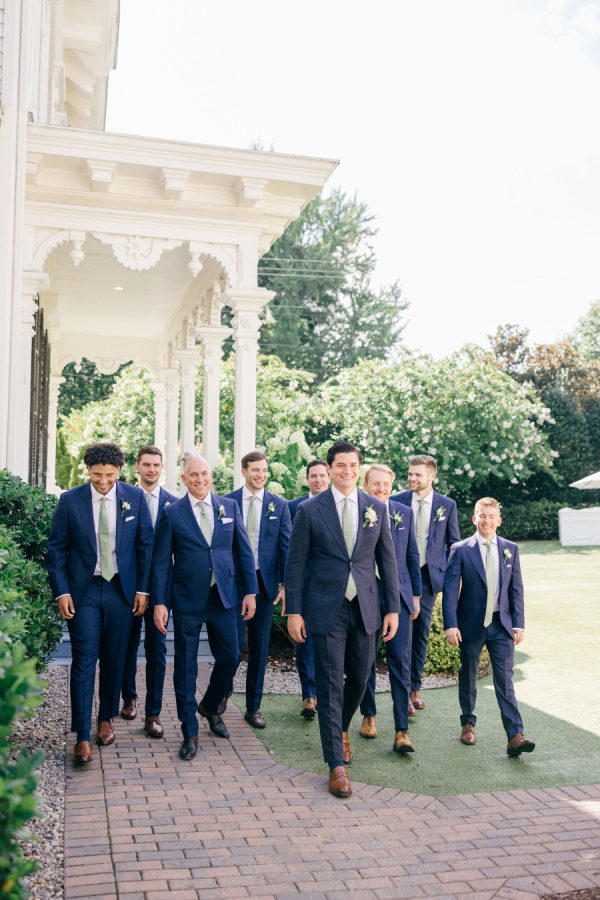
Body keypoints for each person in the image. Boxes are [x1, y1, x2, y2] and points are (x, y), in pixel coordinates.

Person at [285, 440, 400, 798]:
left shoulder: (375, 508)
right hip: (325, 608)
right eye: (340, 465)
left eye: (353, 465)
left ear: (359, 468)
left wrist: (392, 608)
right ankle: (335, 764)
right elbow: (296, 564)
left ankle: (341, 727)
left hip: (366, 607)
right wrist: (293, 611)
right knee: (331, 682)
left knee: (362, 677)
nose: (347, 471)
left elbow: (388, 561)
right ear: (330, 468)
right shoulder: (310, 509)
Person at [47, 442, 154, 765]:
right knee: (83, 660)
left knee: (114, 658)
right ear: (88, 471)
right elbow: (56, 549)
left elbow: (145, 546)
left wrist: (143, 590)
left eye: (109, 475)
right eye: (97, 475)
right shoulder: (70, 500)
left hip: (122, 590)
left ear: (119, 470)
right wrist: (62, 592)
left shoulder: (135, 498)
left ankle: (105, 718)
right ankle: (81, 735)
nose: (103, 481)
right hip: (85, 591)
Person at [151, 452, 257, 760]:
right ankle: (190, 731)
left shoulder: (229, 506)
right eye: (194, 475)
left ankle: (210, 705)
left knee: (231, 656)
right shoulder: (172, 513)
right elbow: (161, 563)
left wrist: (250, 591)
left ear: (211, 476)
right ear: (184, 479)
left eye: (205, 474)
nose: (200, 479)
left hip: (224, 596)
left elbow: (243, 551)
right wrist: (160, 602)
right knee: (186, 665)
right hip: (187, 599)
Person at [442, 497, 535, 756]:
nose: (487, 521)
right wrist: (451, 624)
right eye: (482, 516)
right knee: (469, 675)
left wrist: (519, 623)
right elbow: (450, 591)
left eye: (491, 516)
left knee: (505, 679)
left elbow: (516, 589)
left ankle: (515, 735)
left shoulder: (510, 549)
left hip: (501, 625)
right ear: (475, 518)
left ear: (499, 520)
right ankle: (468, 724)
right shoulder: (461, 549)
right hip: (470, 625)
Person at [358, 464, 422, 752]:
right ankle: (369, 716)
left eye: (386, 484)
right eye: (376, 483)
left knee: (400, 663)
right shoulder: (358, 511)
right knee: (366, 661)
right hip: (366, 596)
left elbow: (412, 556)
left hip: (399, 597)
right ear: (365, 485)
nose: (381, 488)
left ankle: (402, 731)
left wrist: (415, 595)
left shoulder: (404, 513)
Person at [226, 451, 292, 729]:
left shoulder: (280, 506)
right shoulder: (227, 502)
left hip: (265, 585)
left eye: (264, 470)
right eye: (255, 470)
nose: (261, 475)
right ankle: (222, 695)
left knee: (259, 647)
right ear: (244, 472)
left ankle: (253, 707)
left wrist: (285, 584)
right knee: (230, 647)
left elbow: (286, 547)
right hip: (233, 583)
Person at [391, 454, 460, 715]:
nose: (412, 478)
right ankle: (403, 692)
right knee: (402, 635)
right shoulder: (396, 501)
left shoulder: (447, 505)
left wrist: (450, 578)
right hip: (401, 577)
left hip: (429, 578)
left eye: (417, 474)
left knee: (420, 634)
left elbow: (454, 545)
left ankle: (415, 688)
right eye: (410, 473)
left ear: (432, 476)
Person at [120, 446, 178, 738]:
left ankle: (153, 713)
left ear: (161, 467)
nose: (152, 469)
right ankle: (128, 697)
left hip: (161, 590)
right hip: (128, 587)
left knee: (157, 649)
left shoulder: (174, 504)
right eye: (146, 464)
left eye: (156, 464)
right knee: (126, 645)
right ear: (137, 467)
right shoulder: (123, 499)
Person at [287, 459, 330, 719]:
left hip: (330, 584)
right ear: (307, 479)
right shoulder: (293, 507)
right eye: (313, 476)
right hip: (303, 584)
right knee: (305, 642)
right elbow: (288, 550)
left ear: (329, 477)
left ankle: (327, 694)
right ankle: (309, 696)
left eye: (322, 475)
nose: (318, 480)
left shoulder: (338, 505)